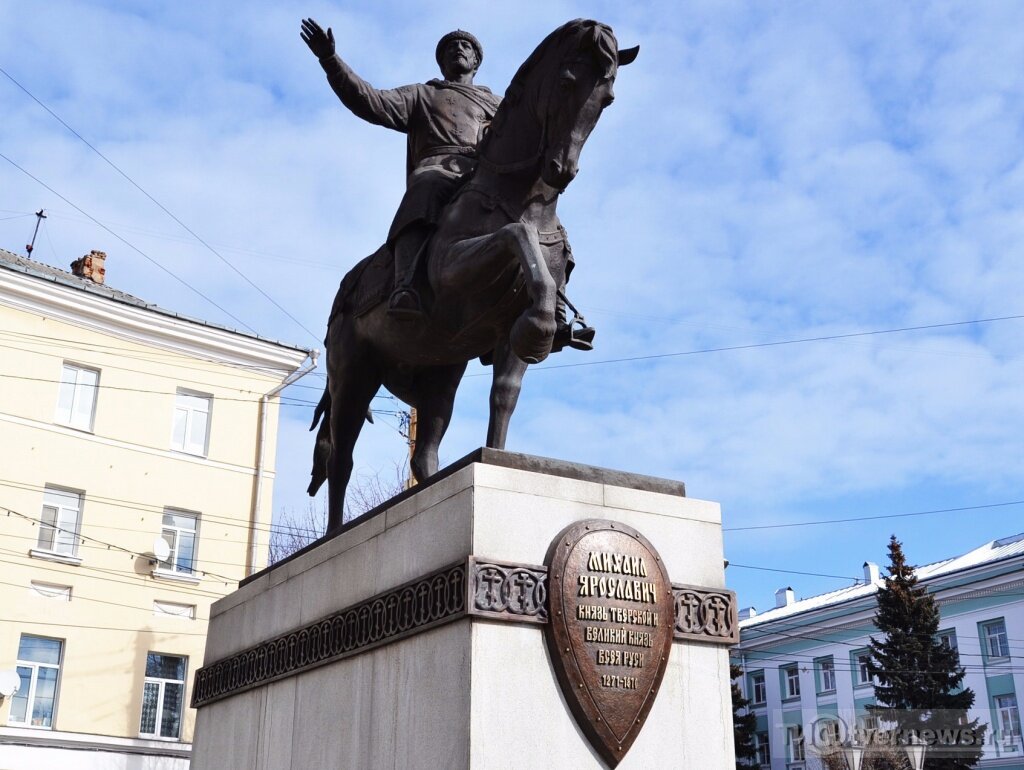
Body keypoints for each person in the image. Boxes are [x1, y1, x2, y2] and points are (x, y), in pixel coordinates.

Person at [301, 18, 501, 319]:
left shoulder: (498, 104)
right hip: (439, 169)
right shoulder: (423, 94)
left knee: (533, 211)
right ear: (442, 62)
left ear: (476, 61)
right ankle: (405, 283)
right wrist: (330, 60)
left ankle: (553, 300)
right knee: (426, 186)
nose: (458, 49)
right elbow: (370, 100)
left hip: (486, 175)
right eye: (450, 47)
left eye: (465, 46)